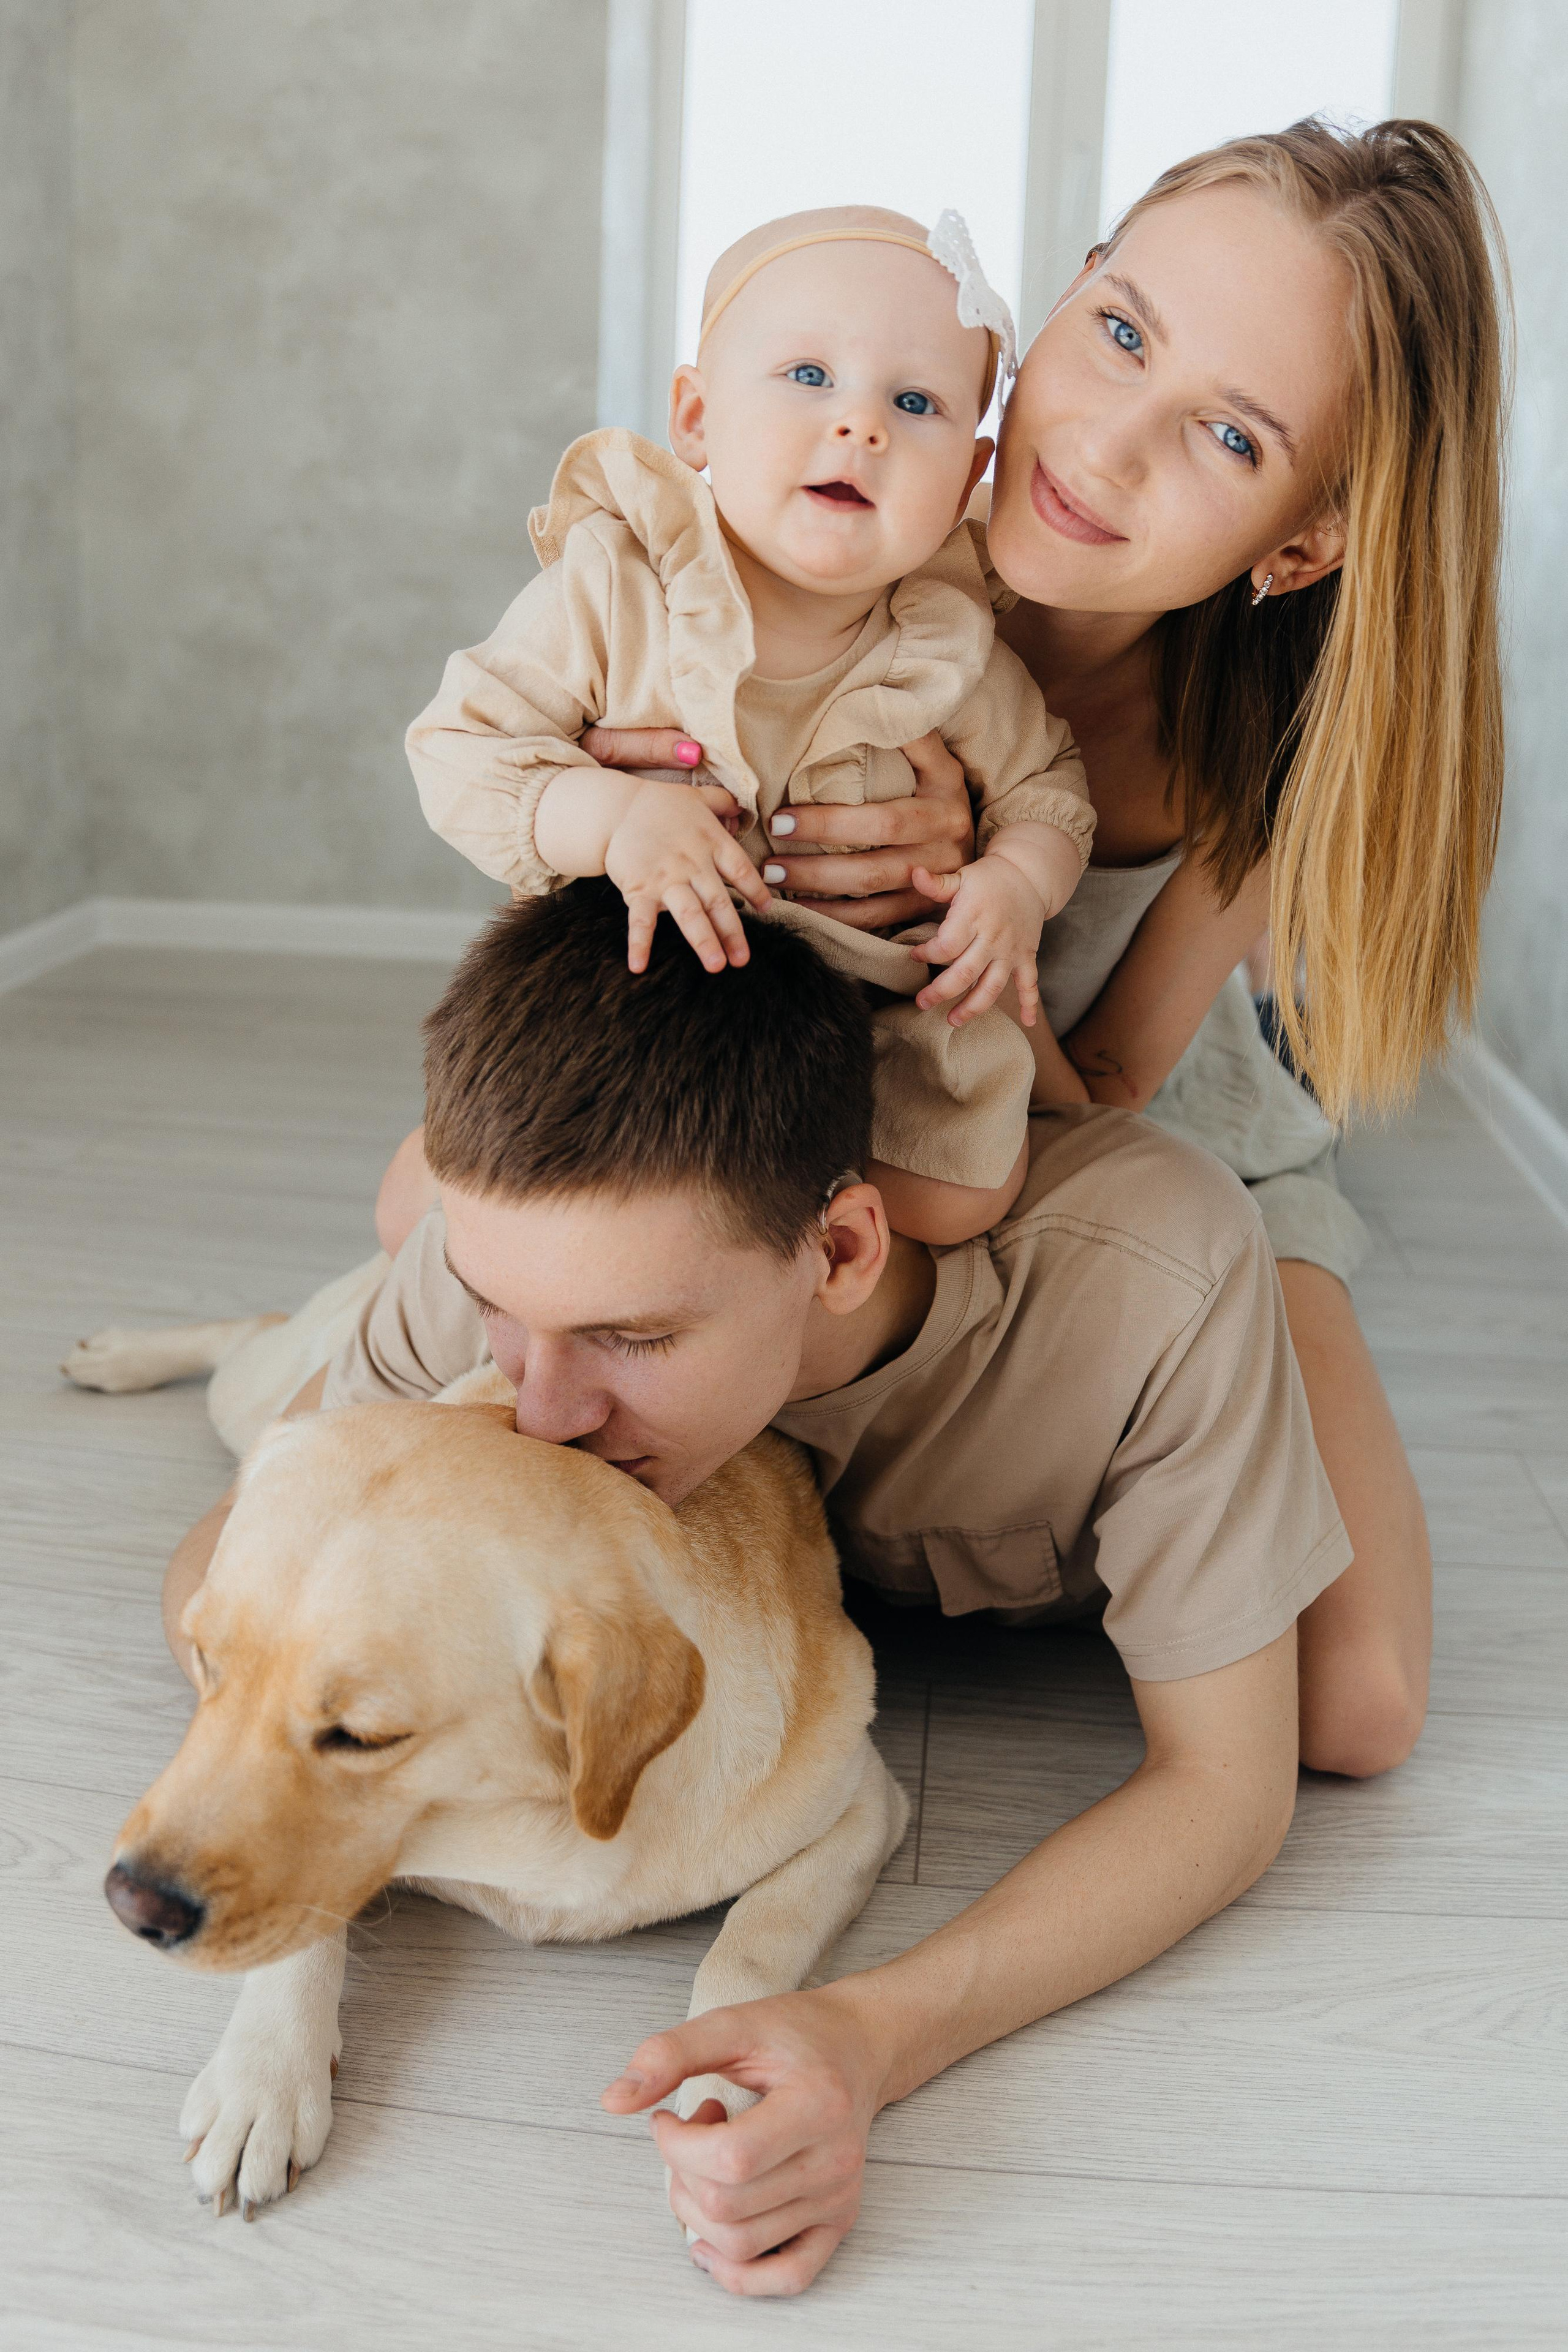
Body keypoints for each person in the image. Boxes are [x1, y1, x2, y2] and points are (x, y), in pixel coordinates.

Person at [164, 884, 1349, 2296]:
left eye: (627, 1335)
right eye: (500, 1309)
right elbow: (220, 1567)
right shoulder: (512, 1271)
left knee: (1357, 1709)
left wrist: (872, 2031)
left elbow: (1226, 1787)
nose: (534, 1416)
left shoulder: (1147, 1291)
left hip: (1191, 1186)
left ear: (842, 1251)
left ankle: (1310, 1194)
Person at [524, 118, 1508, 1790]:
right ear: (1060, 294)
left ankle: (1058, 1497)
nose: (1105, 448)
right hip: (834, 1060)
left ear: (1301, 544)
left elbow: (1118, 1083)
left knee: (1358, 1705)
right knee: (448, 1213)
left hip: (1144, 1123)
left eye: (1226, 434)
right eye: (1120, 331)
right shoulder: (839, 513)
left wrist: (988, 887)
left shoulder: (1250, 751)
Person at [405, 205, 1096, 1246]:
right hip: (649, 996)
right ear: (694, 417)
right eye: (809, 377)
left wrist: (1016, 884)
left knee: (959, 1200)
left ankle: (799, 1261)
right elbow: (457, 747)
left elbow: (1050, 789)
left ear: (966, 475)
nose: (860, 426)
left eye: (915, 402)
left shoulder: (947, 646)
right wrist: (610, 821)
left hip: (871, 1021)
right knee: (482, 1199)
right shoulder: (615, 588)